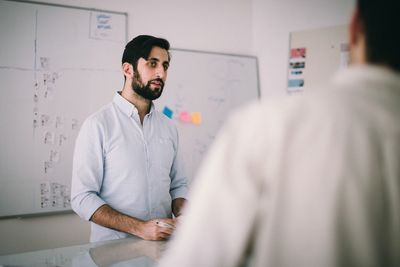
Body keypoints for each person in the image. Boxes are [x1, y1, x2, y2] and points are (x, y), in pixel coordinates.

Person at [158, 0, 400, 266]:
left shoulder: (267, 124)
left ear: (353, 28)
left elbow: (195, 260)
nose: (161, 72)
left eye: (165, 65)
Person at [71, 35, 188, 243]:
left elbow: (178, 186)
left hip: (163, 250)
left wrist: (184, 216)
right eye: (152, 64)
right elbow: (82, 198)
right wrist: (140, 228)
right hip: (113, 254)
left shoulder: (169, 127)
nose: (161, 73)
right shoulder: (98, 125)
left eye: (165, 65)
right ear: (128, 69)